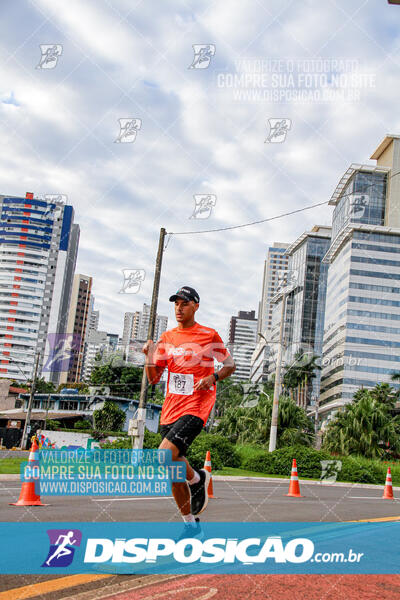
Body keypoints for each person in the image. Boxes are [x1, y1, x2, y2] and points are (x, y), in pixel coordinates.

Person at [142, 286, 235, 535]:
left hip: (196, 406)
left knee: (163, 456)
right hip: (170, 409)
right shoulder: (167, 337)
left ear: (195, 306)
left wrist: (213, 377)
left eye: (184, 304)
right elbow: (153, 378)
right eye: (176, 304)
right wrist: (150, 356)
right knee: (172, 468)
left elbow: (229, 365)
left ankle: (196, 479)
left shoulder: (208, 335)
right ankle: (191, 526)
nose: (179, 308)